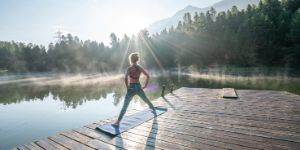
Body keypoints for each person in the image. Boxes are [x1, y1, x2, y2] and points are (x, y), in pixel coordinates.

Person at [113, 52, 156, 127]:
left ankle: (118, 122)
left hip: (131, 87)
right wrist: (145, 86)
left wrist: (127, 88)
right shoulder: (140, 68)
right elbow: (148, 76)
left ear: (131, 60)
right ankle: (154, 110)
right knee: (145, 99)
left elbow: (126, 78)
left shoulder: (129, 68)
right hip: (138, 86)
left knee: (125, 105)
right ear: (137, 60)